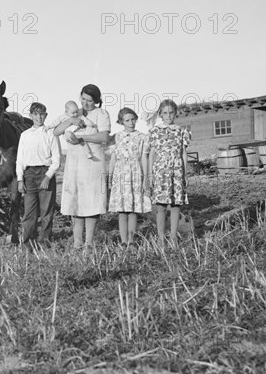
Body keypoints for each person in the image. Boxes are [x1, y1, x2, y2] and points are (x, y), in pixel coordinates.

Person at [53, 85, 111, 250]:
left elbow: (104, 136)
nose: (85, 103)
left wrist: (80, 137)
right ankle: (77, 243)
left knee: (92, 202)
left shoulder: (101, 114)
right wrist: (70, 121)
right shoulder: (73, 112)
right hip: (74, 165)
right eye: (83, 99)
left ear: (96, 101)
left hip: (93, 163)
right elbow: (56, 132)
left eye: (90, 100)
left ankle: (89, 243)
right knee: (76, 201)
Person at [145, 99, 191, 249]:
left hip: (176, 171)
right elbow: (151, 154)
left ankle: (173, 237)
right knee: (161, 206)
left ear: (176, 113)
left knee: (176, 204)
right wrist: (151, 175)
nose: (168, 115)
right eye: (165, 113)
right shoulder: (155, 131)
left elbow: (183, 153)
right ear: (160, 114)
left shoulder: (181, 131)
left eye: (171, 112)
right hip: (161, 172)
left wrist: (185, 174)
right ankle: (160, 238)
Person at [16, 102, 61, 251]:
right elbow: (20, 160)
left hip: (45, 172)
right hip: (28, 175)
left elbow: (57, 160)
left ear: (46, 115)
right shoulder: (25, 135)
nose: (39, 117)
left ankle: (44, 242)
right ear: (31, 116)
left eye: (42, 114)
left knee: (46, 211)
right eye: (35, 114)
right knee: (29, 213)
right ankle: (28, 244)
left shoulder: (51, 133)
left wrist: (48, 177)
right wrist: (20, 179)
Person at [108, 108, 152, 246]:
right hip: (120, 174)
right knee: (122, 210)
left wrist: (146, 177)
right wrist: (110, 176)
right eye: (127, 120)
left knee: (133, 208)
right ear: (121, 122)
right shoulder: (117, 137)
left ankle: (132, 240)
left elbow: (144, 158)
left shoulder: (142, 137)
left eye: (133, 119)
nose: (131, 123)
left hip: (135, 172)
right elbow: (113, 158)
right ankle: (123, 241)